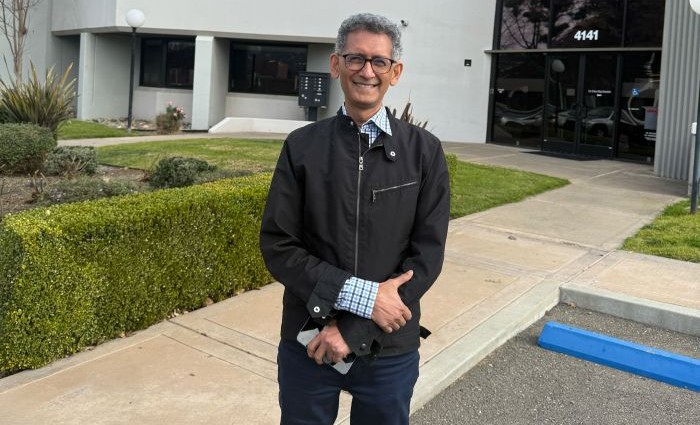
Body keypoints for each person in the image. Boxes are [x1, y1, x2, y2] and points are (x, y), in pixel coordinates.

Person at [260, 12, 450, 425]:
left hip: (389, 347)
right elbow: (279, 246)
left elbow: (426, 257)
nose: (367, 71)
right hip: (309, 340)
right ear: (336, 64)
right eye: (356, 58)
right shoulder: (301, 146)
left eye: (379, 61)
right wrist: (362, 298)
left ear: (395, 72)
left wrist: (353, 330)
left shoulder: (425, 151)